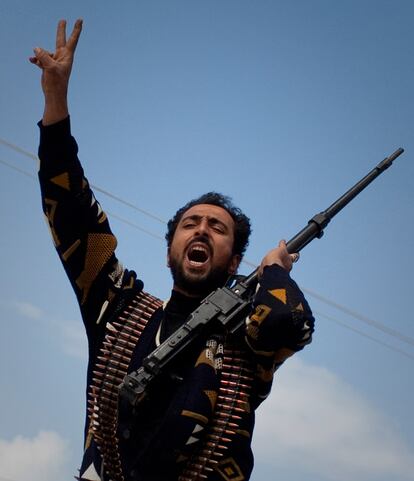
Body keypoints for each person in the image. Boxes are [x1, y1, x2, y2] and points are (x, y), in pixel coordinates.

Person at [30, 19, 315, 481]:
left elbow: (287, 325)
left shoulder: (248, 341)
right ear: (169, 252)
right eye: (190, 224)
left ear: (236, 261)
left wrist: (275, 271)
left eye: (217, 229)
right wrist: (55, 101)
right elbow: (71, 213)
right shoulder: (119, 311)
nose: (202, 231)